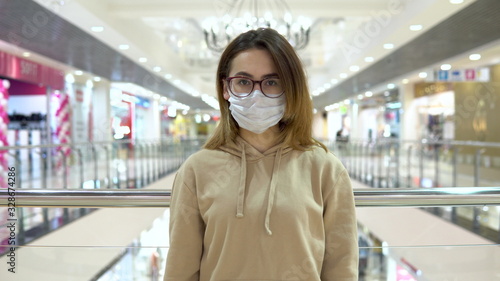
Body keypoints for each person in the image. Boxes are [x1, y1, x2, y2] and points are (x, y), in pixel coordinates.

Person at [164, 28, 358, 281]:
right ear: (226, 88)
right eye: (243, 81)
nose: (256, 94)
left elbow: (341, 265)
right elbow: (182, 266)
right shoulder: (197, 169)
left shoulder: (325, 169)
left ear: (290, 88)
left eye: (272, 82)